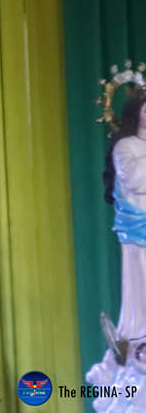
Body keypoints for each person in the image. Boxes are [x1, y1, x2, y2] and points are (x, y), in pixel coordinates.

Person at [104, 95, 146, 351]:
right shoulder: (125, 146)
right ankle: (140, 336)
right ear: (136, 115)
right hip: (139, 227)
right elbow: (134, 179)